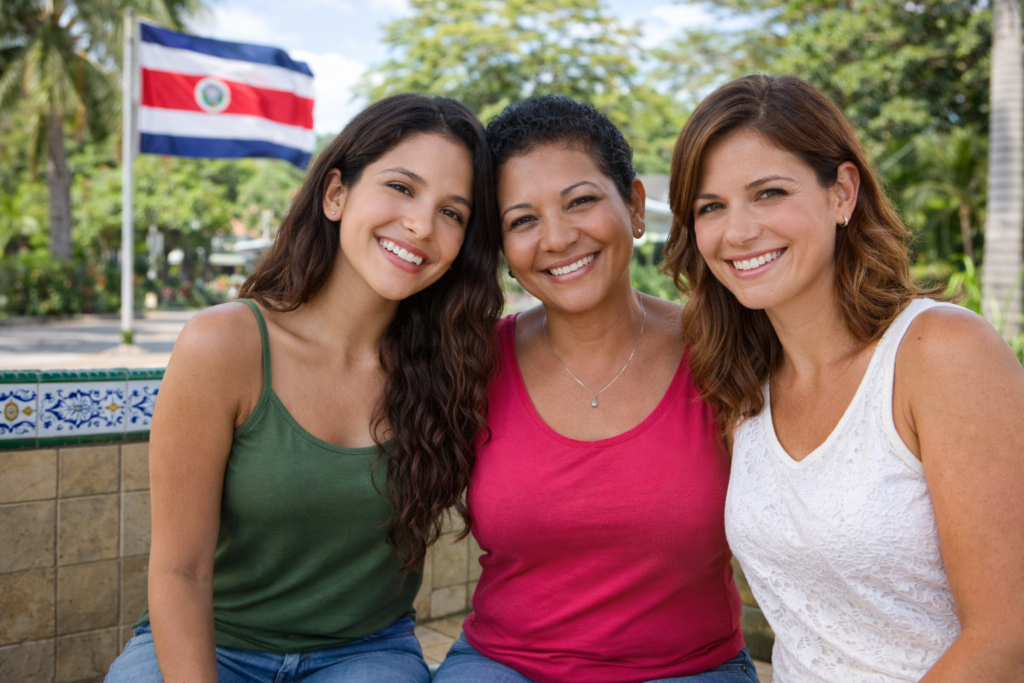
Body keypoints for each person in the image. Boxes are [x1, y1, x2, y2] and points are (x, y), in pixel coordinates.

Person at [104, 94, 503, 683]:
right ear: (336, 194)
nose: (421, 224)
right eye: (400, 187)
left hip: (366, 653)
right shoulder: (225, 344)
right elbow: (178, 572)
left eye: (452, 212)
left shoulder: (458, 363)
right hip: (215, 640)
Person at [664, 73, 1024, 682]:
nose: (739, 231)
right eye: (710, 207)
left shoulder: (941, 353)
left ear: (842, 193)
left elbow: (1007, 638)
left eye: (769, 192)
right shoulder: (743, 386)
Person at [433, 95, 758, 683]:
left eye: (580, 201)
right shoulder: (471, 362)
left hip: (687, 670)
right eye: (522, 220)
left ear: (634, 206)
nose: (556, 239)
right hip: (504, 667)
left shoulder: (723, 350)